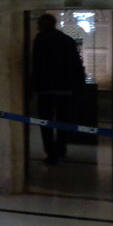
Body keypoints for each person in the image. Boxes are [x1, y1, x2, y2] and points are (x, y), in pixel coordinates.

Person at [31, 13, 86, 165]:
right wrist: (78, 86)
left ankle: (50, 153)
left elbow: (36, 65)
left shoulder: (40, 40)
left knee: (45, 124)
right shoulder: (67, 40)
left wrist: (34, 87)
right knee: (63, 122)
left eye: (39, 23)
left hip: (46, 90)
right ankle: (61, 149)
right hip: (65, 90)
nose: (37, 27)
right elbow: (77, 64)